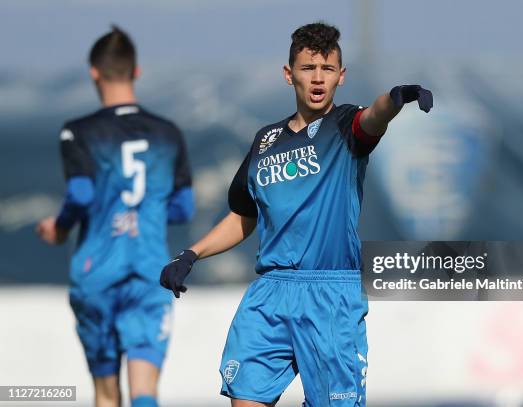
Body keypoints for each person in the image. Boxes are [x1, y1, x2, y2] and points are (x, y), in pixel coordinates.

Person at [160, 21, 432, 407]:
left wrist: (397, 97)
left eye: (327, 69)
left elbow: (375, 116)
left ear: (341, 75)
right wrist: (190, 254)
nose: (318, 79)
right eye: (308, 68)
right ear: (290, 75)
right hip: (271, 293)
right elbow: (243, 215)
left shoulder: (346, 128)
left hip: (330, 294)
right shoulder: (265, 142)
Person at [36, 26, 194, 407]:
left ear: (94, 72)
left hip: (97, 272)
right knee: (145, 391)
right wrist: (146, 212)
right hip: (149, 271)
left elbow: (81, 193)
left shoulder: (78, 132)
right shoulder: (168, 133)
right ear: (136, 71)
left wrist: (57, 228)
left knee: (107, 395)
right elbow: (183, 208)